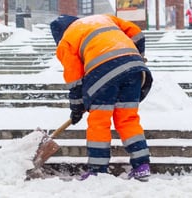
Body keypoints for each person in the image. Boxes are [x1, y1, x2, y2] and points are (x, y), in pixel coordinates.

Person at [50, 14, 153, 181]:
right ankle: (142, 165)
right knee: (128, 119)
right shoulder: (103, 18)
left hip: (102, 74)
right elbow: (137, 33)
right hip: (134, 69)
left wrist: (76, 108)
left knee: (100, 121)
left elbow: (75, 80)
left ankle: (98, 170)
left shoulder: (66, 41)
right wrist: (138, 55)